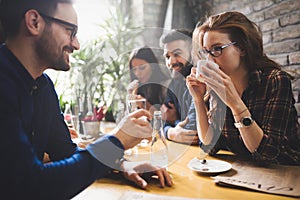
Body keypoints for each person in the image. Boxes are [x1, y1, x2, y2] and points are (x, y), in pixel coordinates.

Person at [0, 0, 172, 199]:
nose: (76, 44)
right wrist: (116, 141)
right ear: (34, 22)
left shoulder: (43, 86)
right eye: (70, 31)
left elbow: (65, 152)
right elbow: (29, 185)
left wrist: (122, 165)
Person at [186, 11, 300, 165]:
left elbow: (268, 155)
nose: (209, 59)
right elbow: (209, 146)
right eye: (206, 51)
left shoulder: (274, 81)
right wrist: (198, 99)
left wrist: (235, 104)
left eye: (217, 48)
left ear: (242, 48)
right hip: (243, 173)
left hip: (284, 174)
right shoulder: (217, 88)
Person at [160, 29, 199, 145]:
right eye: (167, 56)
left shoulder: (199, 82)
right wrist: (171, 132)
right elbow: (160, 122)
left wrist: (173, 121)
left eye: (177, 54)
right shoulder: (174, 84)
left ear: (192, 53)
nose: (171, 62)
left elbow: (192, 132)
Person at [127, 46, 170, 114]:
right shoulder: (136, 88)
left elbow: (170, 118)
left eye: (142, 68)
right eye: (134, 69)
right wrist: (130, 96)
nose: (137, 73)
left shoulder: (166, 86)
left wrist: (145, 105)